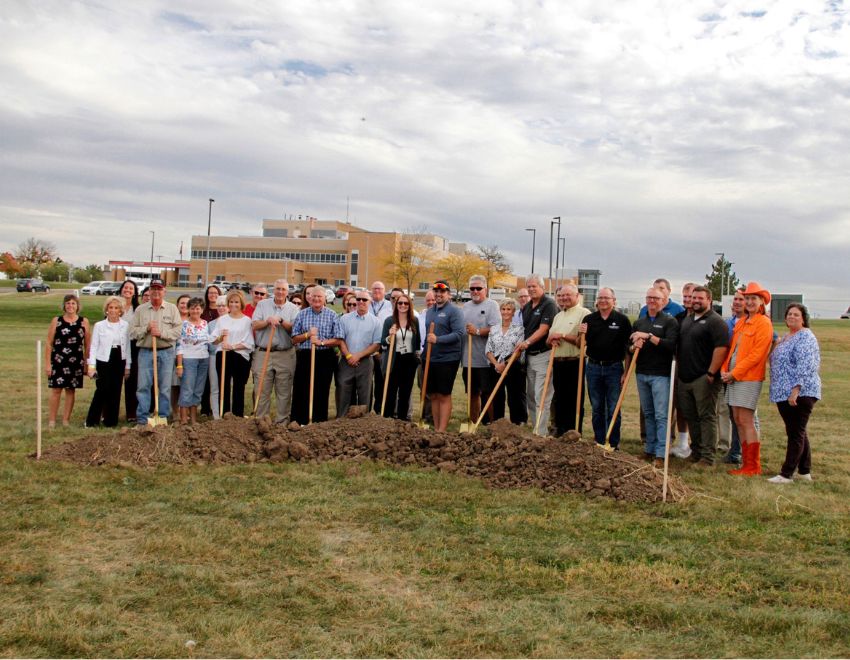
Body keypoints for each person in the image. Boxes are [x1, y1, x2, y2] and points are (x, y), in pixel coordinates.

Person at [721, 281, 773, 477]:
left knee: (746, 419)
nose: (750, 302)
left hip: (748, 378)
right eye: (747, 298)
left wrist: (735, 373)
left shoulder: (763, 323)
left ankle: (753, 465)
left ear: (761, 302)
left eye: (753, 299)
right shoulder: (741, 322)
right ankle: (745, 461)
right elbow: (732, 349)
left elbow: (757, 355)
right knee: (737, 418)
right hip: (733, 377)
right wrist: (725, 369)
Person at [767, 303, 821, 484]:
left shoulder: (805, 337)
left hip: (800, 392)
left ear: (804, 318)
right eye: (789, 314)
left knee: (795, 433)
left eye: (796, 315)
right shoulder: (787, 337)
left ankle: (786, 474)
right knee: (798, 431)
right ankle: (805, 472)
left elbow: (807, 365)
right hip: (782, 391)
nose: (792, 317)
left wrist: (796, 390)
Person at [675, 285, 729, 466]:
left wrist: (711, 372)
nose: (696, 301)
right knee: (691, 416)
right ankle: (696, 451)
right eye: (694, 298)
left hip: (704, 377)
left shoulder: (716, 321)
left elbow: (721, 348)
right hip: (685, 377)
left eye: (700, 298)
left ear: (709, 301)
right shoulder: (689, 319)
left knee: (706, 417)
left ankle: (707, 456)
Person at [631, 287, 679, 467]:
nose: (652, 301)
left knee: (661, 415)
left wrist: (649, 336)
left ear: (664, 300)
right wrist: (635, 345)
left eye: (656, 298)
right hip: (642, 373)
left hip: (661, 375)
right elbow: (630, 348)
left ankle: (661, 453)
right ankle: (649, 449)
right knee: (648, 413)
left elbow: (670, 346)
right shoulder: (639, 322)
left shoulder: (669, 322)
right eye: (649, 297)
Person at [580, 287, 632, 449]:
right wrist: (580, 333)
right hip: (594, 367)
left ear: (613, 301)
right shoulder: (589, 319)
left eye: (606, 298)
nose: (603, 300)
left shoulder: (622, 320)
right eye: (600, 298)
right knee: (597, 407)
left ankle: (613, 442)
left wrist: (627, 372)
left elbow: (628, 349)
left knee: (613, 407)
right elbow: (580, 343)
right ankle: (599, 440)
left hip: (614, 368)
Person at [129, 279, 182, 425]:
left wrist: (161, 333)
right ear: (149, 292)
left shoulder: (172, 309)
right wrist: (146, 328)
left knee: (164, 387)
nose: (156, 292)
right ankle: (142, 419)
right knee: (143, 386)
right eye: (153, 289)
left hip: (166, 352)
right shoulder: (141, 310)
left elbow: (178, 331)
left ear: (164, 291)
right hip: (146, 352)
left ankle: (163, 417)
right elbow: (132, 332)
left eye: (159, 289)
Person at [291, 287, 343, 424]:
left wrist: (320, 342)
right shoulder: (302, 314)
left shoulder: (332, 315)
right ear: (309, 298)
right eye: (314, 296)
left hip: (325, 356)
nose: (316, 299)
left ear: (325, 298)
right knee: (302, 388)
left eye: (319, 297)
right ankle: (299, 421)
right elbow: (294, 338)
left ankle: (319, 422)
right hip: (305, 356)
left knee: (321, 389)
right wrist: (307, 335)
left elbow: (338, 339)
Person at [251, 279, 300, 424]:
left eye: (283, 290)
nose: (280, 292)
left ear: (287, 292)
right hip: (263, 352)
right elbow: (254, 324)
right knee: (261, 389)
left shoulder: (293, 309)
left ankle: (281, 424)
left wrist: (281, 321)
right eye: (278, 289)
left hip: (285, 353)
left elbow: (295, 330)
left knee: (283, 391)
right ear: (273, 290)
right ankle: (261, 422)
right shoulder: (262, 305)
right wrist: (268, 321)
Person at [547, 284, 590, 436]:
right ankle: (560, 430)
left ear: (577, 296)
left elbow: (582, 341)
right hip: (558, 361)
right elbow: (549, 339)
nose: (564, 298)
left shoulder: (584, 313)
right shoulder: (558, 316)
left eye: (568, 295)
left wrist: (563, 336)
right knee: (559, 398)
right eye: (561, 296)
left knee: (574, 398)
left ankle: (574, 432)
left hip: (574, 362)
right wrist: (552, 339)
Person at [518, 275, 558, 435]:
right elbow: (523, 329)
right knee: (531, 395)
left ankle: (540, 433)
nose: (531, 289)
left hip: (544, 355)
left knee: (542, 396)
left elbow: (543, 329)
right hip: (529, 357)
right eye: (529, 286)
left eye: (534, 286)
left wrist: (527, 342)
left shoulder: (549, 304)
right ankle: (536, 428)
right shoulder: (527, 306)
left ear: (542, 287)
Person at [424, 280, 465, 431]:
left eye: (442, 291)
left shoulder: (454, 311)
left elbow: (459, 334)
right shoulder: (430, 311)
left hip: (447, 359)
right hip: (431, 358)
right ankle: (436, 428)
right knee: (433, 395)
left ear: (448, 294)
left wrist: (438, 339)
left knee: (443, 395)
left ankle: (442, 430)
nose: (438, 294)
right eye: (436, 291)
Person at [45, 294, 90, 428]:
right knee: (56, 390)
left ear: (78, 306)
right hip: (58, 360)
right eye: (68, 303)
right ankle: (52, 420)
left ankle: (66, 420)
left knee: (71, 390)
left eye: (73, 303)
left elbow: (88, 345)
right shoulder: (56, 321)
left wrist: (87, 364)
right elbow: (48, 343)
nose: (70, 306)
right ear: (64, 305)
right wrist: (47, 364)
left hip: (75, 361)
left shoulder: (84, 322)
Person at [85, 296, 131, 427]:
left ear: (120, 311)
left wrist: (127, 366)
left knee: (116, 390)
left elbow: (127, 347)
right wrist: (91, 366)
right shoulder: (100, 325)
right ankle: (92, 421)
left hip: (119, 358)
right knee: (102, 389)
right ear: (106, 310)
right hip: (103, 359)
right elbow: (93, 346)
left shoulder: (125, 325)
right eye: (111, 307)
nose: (113, 310)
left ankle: (111, 421)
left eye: (116, 308)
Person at [461, 275, 500, 424]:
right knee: (472, 393)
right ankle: (473, 423)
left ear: (486, 289)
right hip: (468, 359)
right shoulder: (466, 307)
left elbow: (496, 329)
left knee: (487, 393)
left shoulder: (492, 305)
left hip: (486, 359)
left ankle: (490, 424)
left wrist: (477, 331)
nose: (475, 291)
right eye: (472, 288)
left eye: (479, 288)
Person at [209, 290, 255, 417]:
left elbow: (249, 342)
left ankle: (237, 416)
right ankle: (225, 415)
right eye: (231, 302)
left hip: (240, 356)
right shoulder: (222, 320)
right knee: (223, 386)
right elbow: (213, 340)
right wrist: (220, 338)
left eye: (236, 302)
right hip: (223, 355)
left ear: (241, 303)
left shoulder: (247, 320)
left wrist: (232, 346)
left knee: (239, 387)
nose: (234, 304)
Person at [336, 290, 381, 417]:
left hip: (365, 361)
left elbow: (376, 344)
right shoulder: (344, 319)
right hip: (346, 360)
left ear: (370, 302)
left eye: (364, 300)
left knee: (365, 393)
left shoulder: (376, 322)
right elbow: (340, 340)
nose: (361, 302)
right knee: (343, 390)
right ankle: (342, 419)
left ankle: (363, 422)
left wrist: (358, 356)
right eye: (358, 299)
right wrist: (349, 356)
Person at [484, 299, 525, 423]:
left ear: (513, 312)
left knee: (514, 397)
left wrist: (505, 364)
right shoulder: (494, 329)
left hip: (512, 365)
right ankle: (498, 424)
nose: (506, 312)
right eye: (503, 309)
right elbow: (488, 349)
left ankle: (516, 424)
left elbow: (518, 351)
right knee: (497, 397)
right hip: (495, 366)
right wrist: (496, 364)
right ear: (500, 311)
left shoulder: (519, 329)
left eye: (509, 309)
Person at [381, 293, 421, 420]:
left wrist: (417, 357)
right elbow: (382, 342)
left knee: (405, 393)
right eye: (400, 303)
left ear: (409, 305)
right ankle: (387, 419)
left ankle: (403, 421)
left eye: (406, 303)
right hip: (394, 359)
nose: (403, 305)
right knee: (391, 392)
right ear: (396, 304)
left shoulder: (414, 321)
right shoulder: (389, 321)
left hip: (409, 360)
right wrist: (389, 336)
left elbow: (417, 340)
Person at [176, 297, 211, 425]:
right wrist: (179, 365)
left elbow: (209, 341)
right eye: (192, 308)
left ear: (202, 310)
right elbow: (179, 345)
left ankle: (194, 418)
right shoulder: (183, 324)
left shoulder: (205, 324)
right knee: (187, 388)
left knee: (198, 389)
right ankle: (184, 419)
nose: (195, 311)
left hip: (203, 359)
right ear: (188, 310)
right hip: (189, 359)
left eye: (198, 308)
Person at [368, 281, 394, 414]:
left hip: (381, 349)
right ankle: (365, 410)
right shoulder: (366, 304)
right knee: (366, 383)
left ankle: (379, 410)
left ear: (384, 291)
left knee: (380, 381)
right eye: (374, 288)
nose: (377, 291)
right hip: (366, 349)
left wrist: (379, 350)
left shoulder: (390, 306)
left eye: (380, 289)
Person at [119, 279, 140, 422]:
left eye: (131, 288)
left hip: (133, 345)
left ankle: (131, 413)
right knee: (113, 380)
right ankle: (107, 412)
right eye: (125, 288)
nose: (128, 290)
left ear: (134, 292)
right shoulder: (114, 305)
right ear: (121, 289)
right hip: (115, 346)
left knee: (131, 380)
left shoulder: (137, 308)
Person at [417, 289, 437, 424]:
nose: (430, 302)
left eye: (433, 300)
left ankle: (431, 417)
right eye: (428, 300)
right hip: (422, 355)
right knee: (422, 387)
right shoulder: (421, 316)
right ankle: (423, 415)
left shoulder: (440, 315)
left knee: (433, 388)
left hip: (436, 356)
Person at [207, 298, 229, 419]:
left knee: (226, 387)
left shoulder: (234, 322)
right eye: (219, 305)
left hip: (229, 357)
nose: (221, 308)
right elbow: (210, 344)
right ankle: (216, 415)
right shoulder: (211, 325)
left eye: (224, 305)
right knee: (215, 387)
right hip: (214, 357)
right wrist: (219, 339)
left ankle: (227, 413)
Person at [171, 294, 191, 414]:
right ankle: (175, 411)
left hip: (190, 357)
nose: (184, 305)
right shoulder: (173, 320)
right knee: (175, 385)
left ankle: (186, 410)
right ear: (177, 305)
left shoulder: (193, 321)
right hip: (174, 355)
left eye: (187, 303)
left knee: (187, 385)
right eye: (182, 303)